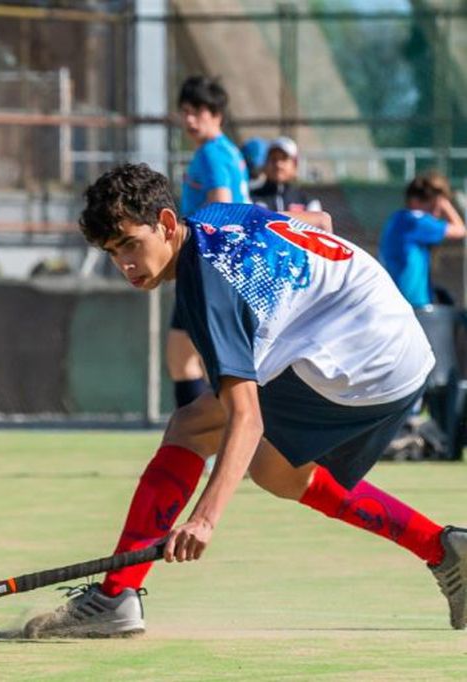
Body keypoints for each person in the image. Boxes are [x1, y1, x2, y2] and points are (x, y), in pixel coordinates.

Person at [24, 163, 467, 638]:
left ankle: (116, 597)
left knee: (192, 426)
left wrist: (204, 519)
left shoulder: (209, 287)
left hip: (367, 359)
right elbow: (319, 226)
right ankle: (443, 547)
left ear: (168, 225)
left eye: (131, 245)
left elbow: (247, 418)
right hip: (398, 341)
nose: (125, 264)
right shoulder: (218, 214)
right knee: (277, 472)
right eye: (112, 253)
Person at [170, 76, 251, 408]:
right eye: (185, 112)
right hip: (224, 266)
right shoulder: (227, 150)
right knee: (203, 362)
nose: (190, 119)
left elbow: (221, 205)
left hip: (209, 266)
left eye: (198, 111)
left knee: (184, 359)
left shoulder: (211, 154)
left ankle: (196, 444)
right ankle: (208, 441)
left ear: (217, 113)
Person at [380, 171, 466, 308]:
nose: (436, 214)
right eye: (432, 207)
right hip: (414, 304)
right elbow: (460, 230)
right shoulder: (416, 221)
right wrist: (444, 203)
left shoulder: (399, 219)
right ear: (415, 201)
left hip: (401, 301)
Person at [251, 136, 322, 213]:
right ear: (265, 164)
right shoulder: (250, 199)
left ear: (295, 165)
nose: (278, 164)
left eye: (284, 159)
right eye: (273, 159)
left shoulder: (308, 202)